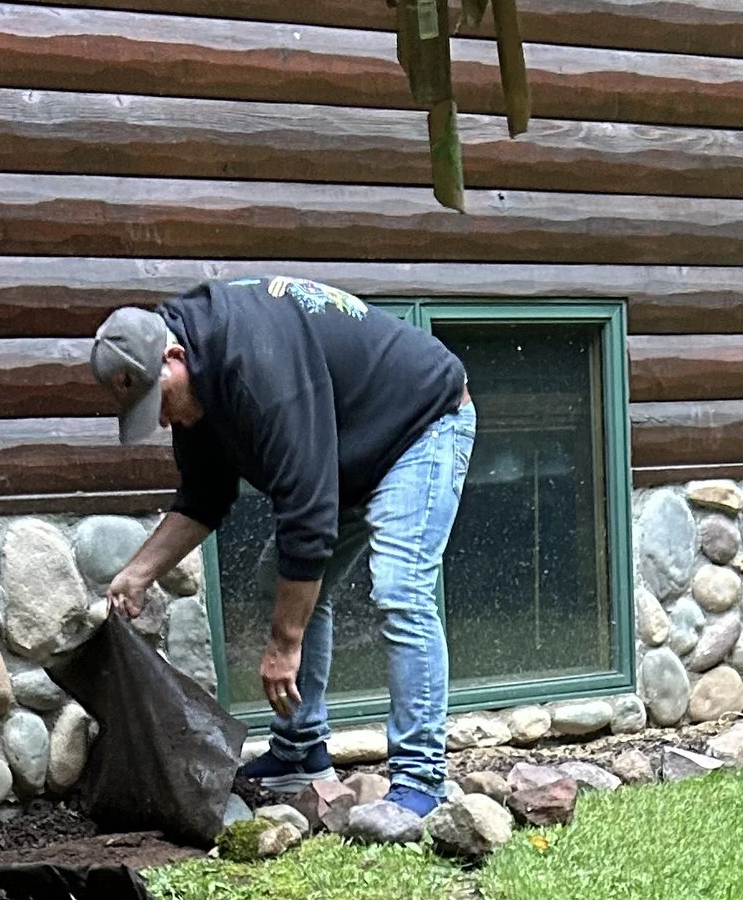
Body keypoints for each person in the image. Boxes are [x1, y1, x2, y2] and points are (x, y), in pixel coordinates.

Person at [91, 277, 476, 843]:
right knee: (283, 577)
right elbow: (205, 496)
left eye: (161, 402)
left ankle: (420, 780)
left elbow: (309, 514)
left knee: (400, 586)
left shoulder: (256, 368)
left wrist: (283, 644)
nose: (165, 420)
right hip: (348, 449)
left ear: (174, 356)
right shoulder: (197, 384)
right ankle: (301, 751)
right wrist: (138, 572)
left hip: (420, 425)